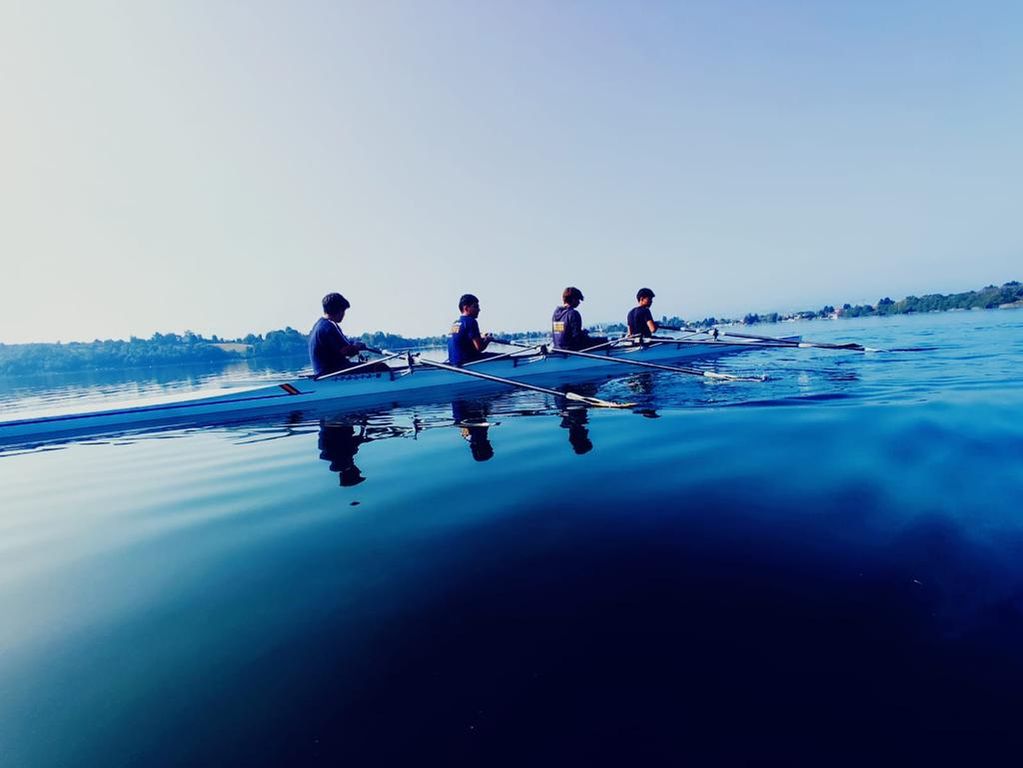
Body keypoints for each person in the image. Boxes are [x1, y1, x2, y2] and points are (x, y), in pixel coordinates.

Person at [308, 292, 367, 377]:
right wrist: (357, 347)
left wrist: (355, 343)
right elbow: (346, 351)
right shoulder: (329, 327)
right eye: (343, 310)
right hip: (331, 374)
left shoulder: (320, 325)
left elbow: (344, 343)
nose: (344, 314)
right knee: (380, 367)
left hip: (324, 372)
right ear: (338, 310)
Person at [551, 287, 609, 351]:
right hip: (571, 350)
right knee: (604, 341)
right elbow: (578, 339)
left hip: (558, 349)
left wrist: (582, 333)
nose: (579, 302)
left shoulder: (555, 314)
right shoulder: (573, 314)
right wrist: (584, 334)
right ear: (573, 299)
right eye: (578, 300)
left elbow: (565, 333)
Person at [448, 293, 493, 365]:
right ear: (466, 308)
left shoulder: (455, 323)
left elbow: (466, 340)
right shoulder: (471, 321)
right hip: (466, 363)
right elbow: (480, 348)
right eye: (475, 307)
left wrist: (482, 337)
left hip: (453, 362)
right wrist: (488, 339)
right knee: (506, 356)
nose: (479, 310)